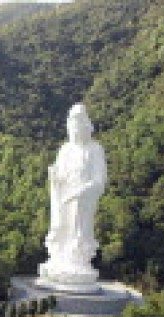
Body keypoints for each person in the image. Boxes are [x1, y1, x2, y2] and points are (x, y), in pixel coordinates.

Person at [41, 103, 107, 287]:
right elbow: (61, 174)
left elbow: (100, 180)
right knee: (61, 226)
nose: (75, 131)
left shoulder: (95, 150)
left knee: (79, 230)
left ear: (86, 127)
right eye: (72, 126)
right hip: (64, 196)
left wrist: (84, 190)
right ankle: (59, 258)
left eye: (78, 126)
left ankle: (77, 260)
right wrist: (55, 176)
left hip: (83, 198)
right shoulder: (65, 149)